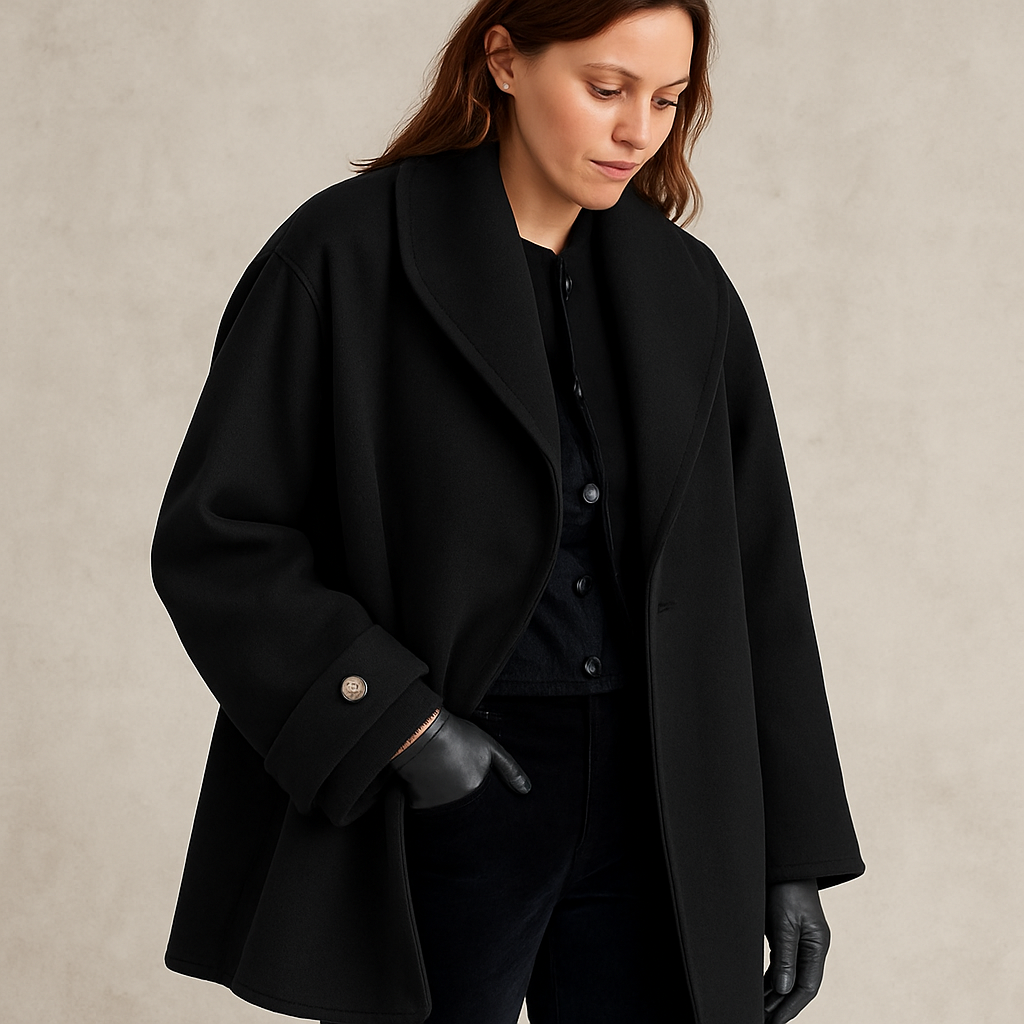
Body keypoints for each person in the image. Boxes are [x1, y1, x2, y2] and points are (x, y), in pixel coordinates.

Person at [151, 1, 865, 1022]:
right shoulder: (347, 255)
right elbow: (220, 537)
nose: (637, 130)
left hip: (660, 800)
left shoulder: (688, 290)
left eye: (668, 100)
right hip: (446, 787)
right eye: (606, 88)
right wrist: (401, 727)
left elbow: (756, 578)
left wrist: (789, 849)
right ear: (504, 59)